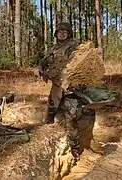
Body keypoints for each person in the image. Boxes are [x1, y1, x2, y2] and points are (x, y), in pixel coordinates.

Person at [34, 22, 81, 162]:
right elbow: (43, 61)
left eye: (65, 32)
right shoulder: (53, 48)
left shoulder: (74, 47)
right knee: (50, 111)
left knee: (71, 118)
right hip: (56, 85)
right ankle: (45, 141)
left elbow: (77, 63)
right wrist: (39, 68)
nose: (62, 33)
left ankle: (74, 149)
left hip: (71, 87)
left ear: (69, 34)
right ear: (56, 34)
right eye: (59, 31)